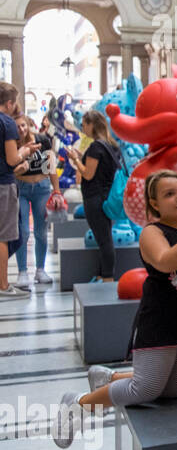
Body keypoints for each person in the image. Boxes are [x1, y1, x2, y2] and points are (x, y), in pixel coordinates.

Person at [53, 171, 177, 448]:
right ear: (154, 204)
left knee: (174, 390)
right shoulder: (153, 232)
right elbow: (166, 262)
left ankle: (110, 377)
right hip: (161, 323)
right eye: (169, 194)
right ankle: (79, 404)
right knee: (145, 389)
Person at [65, 110, 121, 283]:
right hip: (106, 197)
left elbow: (88, 174)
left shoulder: (96, 146)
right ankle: (101, 274)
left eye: (84, 124)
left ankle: (108, 278)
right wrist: (82, 157)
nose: (82, 128)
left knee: (104, 241)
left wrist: (75, 159)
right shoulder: (111, 145)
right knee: (104, 238)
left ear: (91, 125)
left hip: (95, 198)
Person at [0, 83, 39, 297]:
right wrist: (24, 151)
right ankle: (3, 285)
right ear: (9, 103)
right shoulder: (7, 123)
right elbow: (12, 158)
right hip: (3, 184)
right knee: (4, 236)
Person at [14, 114, 60, 288]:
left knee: (41, 231)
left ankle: (40, 270)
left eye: (23, 125)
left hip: (41, 188)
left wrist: (56, 191)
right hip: (22, 189)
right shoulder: (13, 146)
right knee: (23, 231)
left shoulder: (42, 140)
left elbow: (51, 167)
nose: (21, 129)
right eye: (17, 126)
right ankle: (22, 271)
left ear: (29, 124)